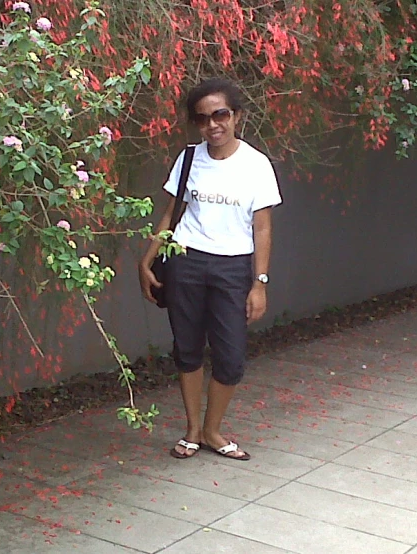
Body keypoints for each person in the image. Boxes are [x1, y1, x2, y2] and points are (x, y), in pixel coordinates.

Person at [138, 78, 282, 460]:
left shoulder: (255, 165)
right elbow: (171, 213)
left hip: (233, 268)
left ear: (237, 116)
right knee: (187, 350)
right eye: (203, 119)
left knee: (230, 357)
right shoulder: (189, 159)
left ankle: (213, 430)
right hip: (187, 261)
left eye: (220, 115)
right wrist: (146, 259)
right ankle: (192, 430)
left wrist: (259, 282)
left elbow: (262, 226)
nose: (212, 125)